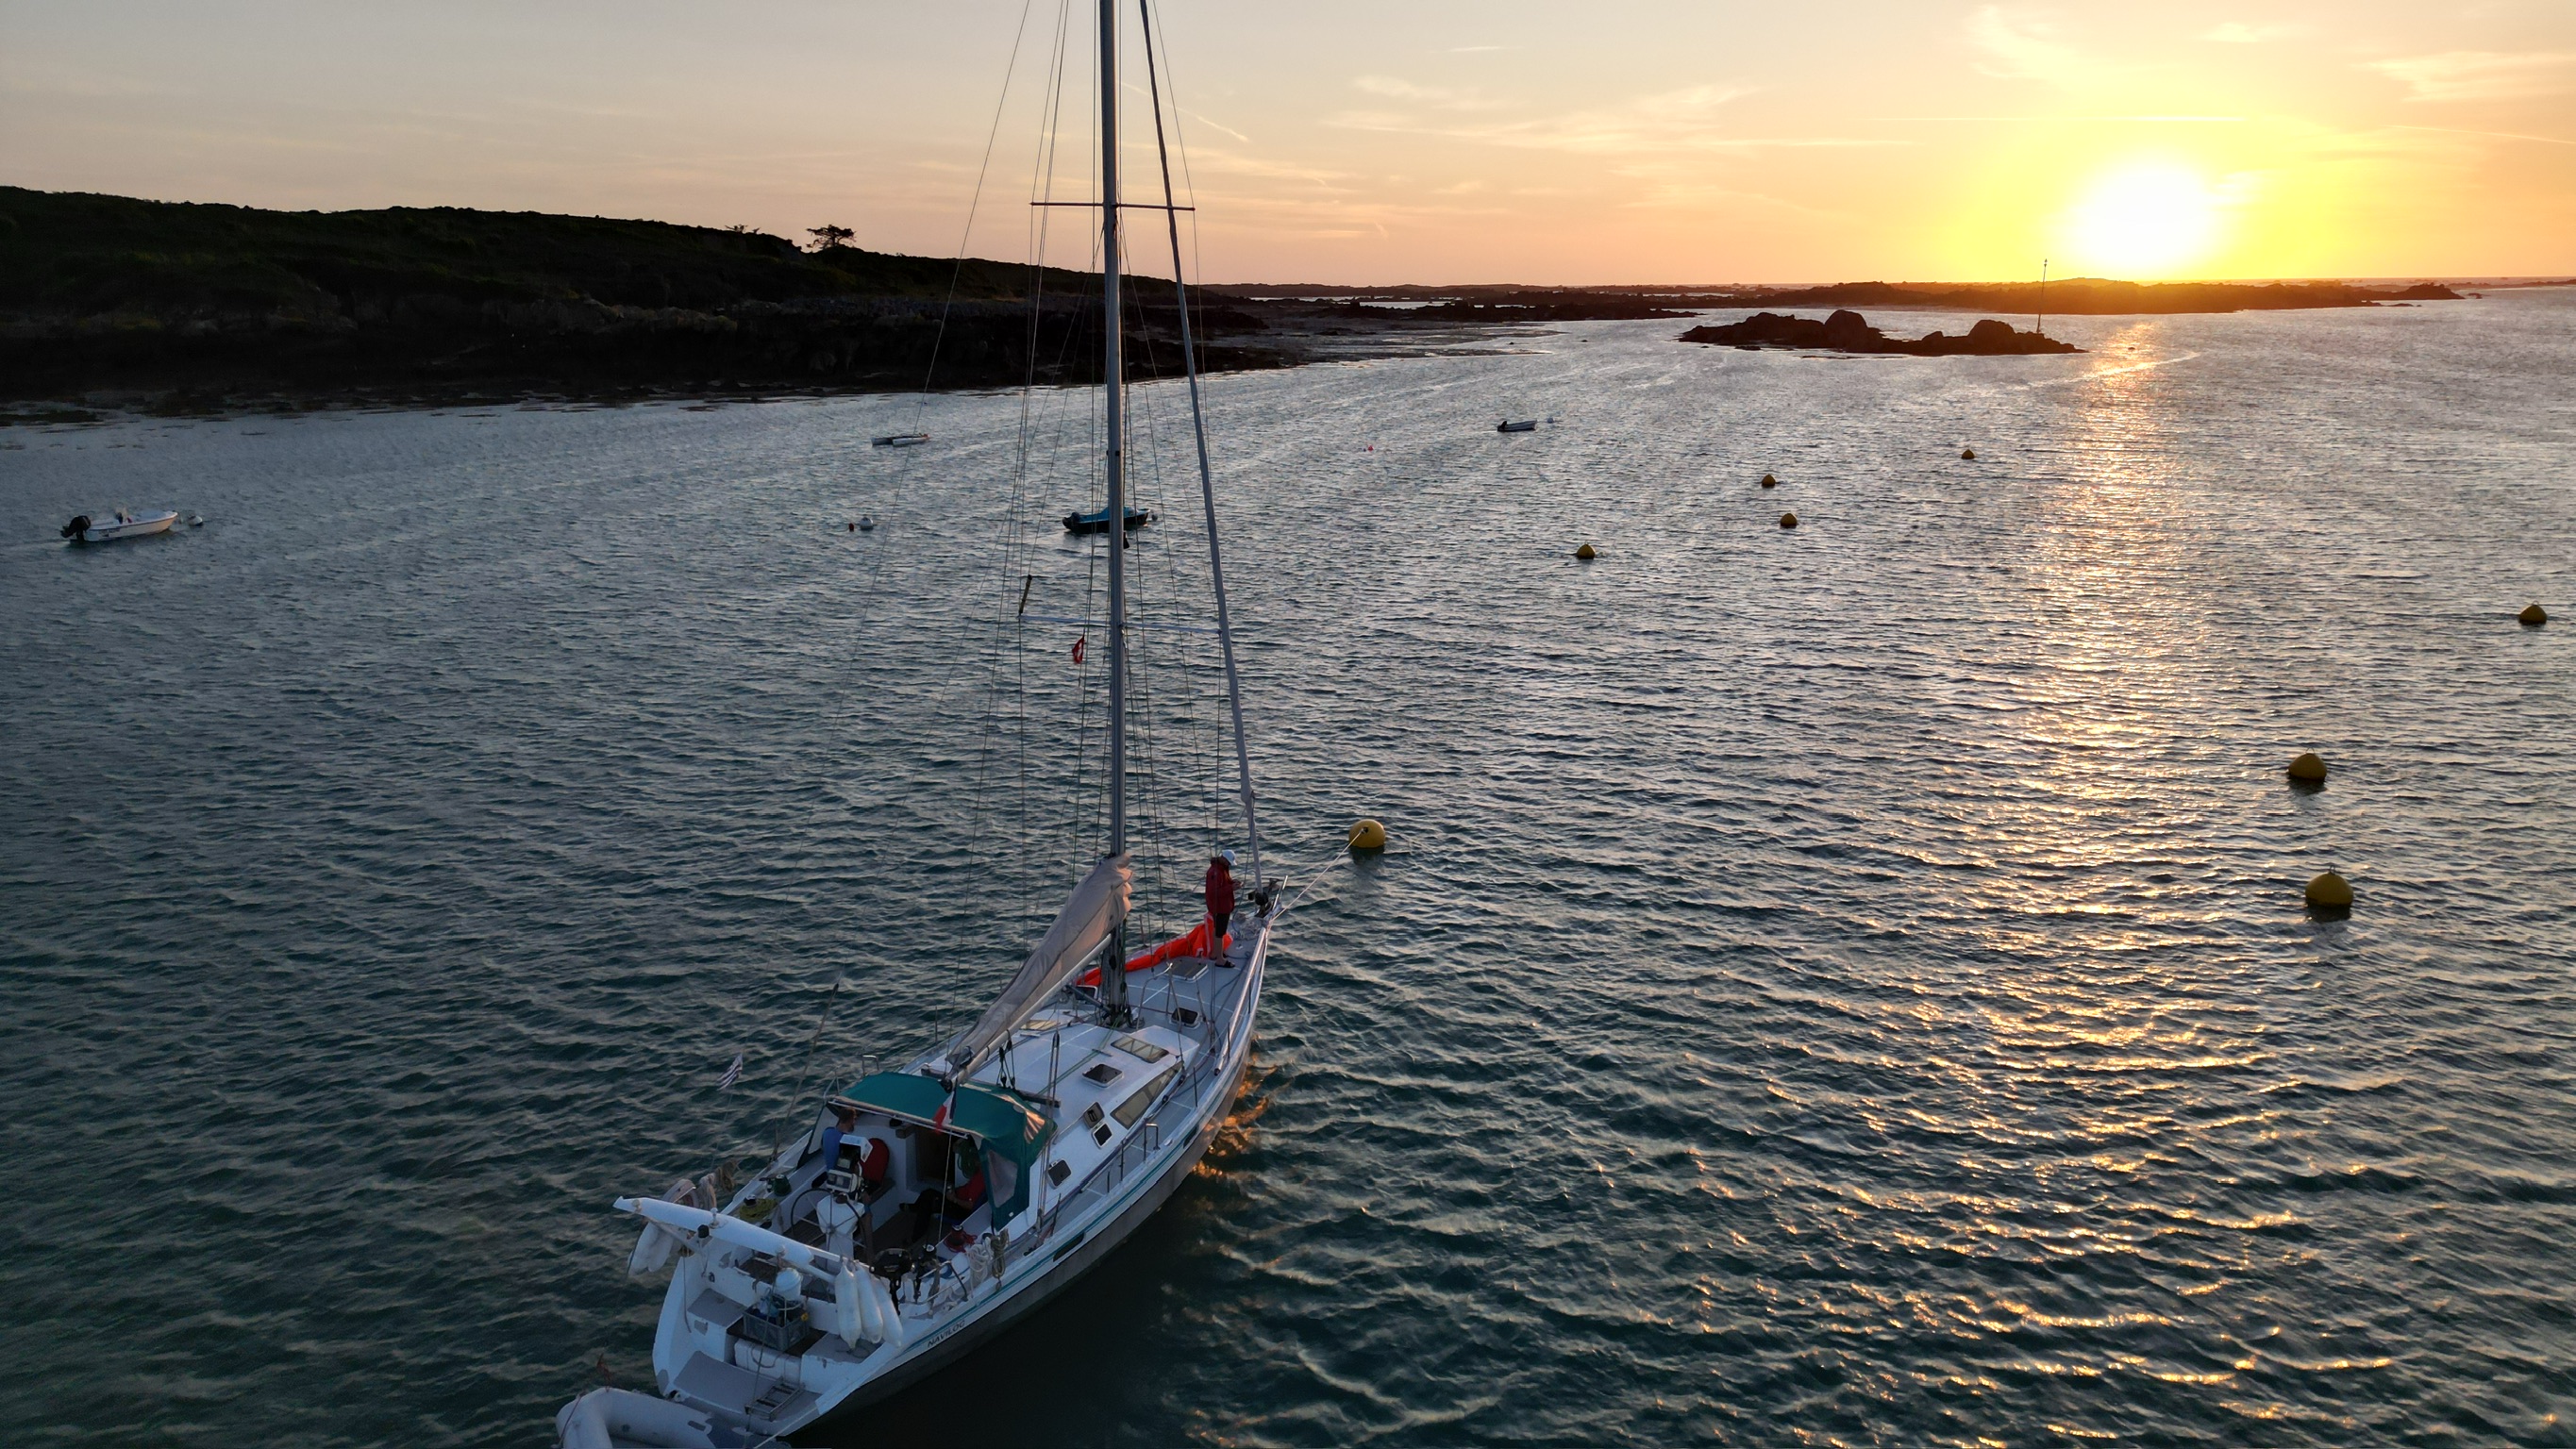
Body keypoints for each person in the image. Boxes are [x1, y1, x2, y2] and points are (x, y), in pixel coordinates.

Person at [1203, 850, 1237, 954]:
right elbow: (1215, 892)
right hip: (1219, 907)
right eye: (1228, 862)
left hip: (1221, 906)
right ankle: (1219, 957)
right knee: (1220, 933)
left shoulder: (1221, 869)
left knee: (1217, 930)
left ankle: (1215, 953)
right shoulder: (1215, 872)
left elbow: (1222, 883)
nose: (1228, 865)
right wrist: (1231, 888)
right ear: (1223, 859)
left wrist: (1232, 883)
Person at [816, 1104, 858, 1174]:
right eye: (854, 1119)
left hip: (829, 1172)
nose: (854, 1122)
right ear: (850, 1121)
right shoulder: (846, 1140)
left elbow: (823, 1148)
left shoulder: (827, 1132)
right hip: (841, 1175)